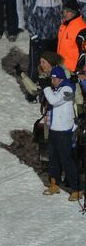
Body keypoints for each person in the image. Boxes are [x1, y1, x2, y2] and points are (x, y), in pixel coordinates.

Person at [43, 66, 83, 201]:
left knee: (67, 161)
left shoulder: (67, 89)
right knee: (53, 159)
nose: (52, 81)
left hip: (63, 132)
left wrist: (45, 88)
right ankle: (54, 184)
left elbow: (54, 100)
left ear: (60, 78)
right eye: (52, 78)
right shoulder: (59, 89)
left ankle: (77, 189)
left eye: (54, 79)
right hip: (54, 130)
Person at [26, 0, 62, 82]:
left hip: (54, 36)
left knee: (52, 65)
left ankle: (49, 89)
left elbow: (63, 13)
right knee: (36, 65)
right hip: (40, 37)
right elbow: (29, 15)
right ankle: (32, 92)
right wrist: (34, 35)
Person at [56, 0, 86, 72]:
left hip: (73, 70)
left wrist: (78, 71)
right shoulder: (63, 25)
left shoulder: (81, 28)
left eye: (68, 12)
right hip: (61, 67)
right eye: (64, 11)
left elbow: (84, 53)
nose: (64, 14)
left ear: (75, 13)